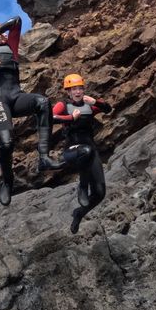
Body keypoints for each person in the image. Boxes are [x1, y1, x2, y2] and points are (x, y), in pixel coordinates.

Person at [0, 16, 57, 206]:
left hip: (16, 97)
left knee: (43, 102)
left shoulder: (10, 46)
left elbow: (16, 21)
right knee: (6, 143)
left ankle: (44, 157)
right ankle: (7, 182)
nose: (0, 35)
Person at [52, 74, 113, 234]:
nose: (78, 92)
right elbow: (50, 118)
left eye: (80, 88)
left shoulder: (89, 105)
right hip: (72, 150)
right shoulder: (63, 105)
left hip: (90, 150)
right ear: (68, 92)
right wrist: (70, 117)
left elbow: (108, 109)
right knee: (86, 151)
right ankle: (83, 187)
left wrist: (96, 102)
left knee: (100, 193)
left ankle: (79, 213)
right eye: (74, 89)